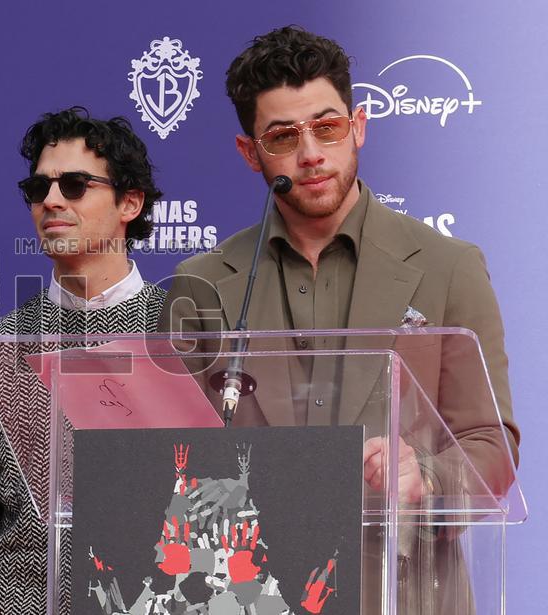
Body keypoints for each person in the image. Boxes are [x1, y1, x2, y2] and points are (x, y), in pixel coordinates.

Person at [160, 26, 519, 614]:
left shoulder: (448, 267)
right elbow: (169, 458)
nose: (310, 154)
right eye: (283, 136)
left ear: (358, 126)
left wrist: (426, 478)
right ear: (250, 152)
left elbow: (491, 443)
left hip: (404, 591)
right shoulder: (203, 285)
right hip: (248, 593)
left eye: (327, 127)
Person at [0, 107, 168, 614]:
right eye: (39, 189)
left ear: (130, 201)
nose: (52, 201)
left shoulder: (185, 337)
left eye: (76, 185)